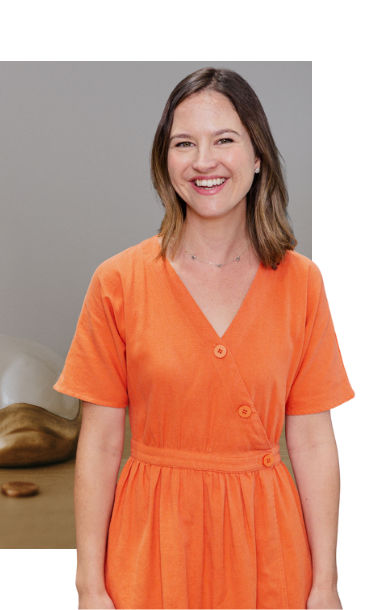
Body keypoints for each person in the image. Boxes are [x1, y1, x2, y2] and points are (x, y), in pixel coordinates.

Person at [55, 67, 353, 609]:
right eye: (184, 143)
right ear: (165, 163)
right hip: (150, 549)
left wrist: (326, 584)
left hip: (270, 547)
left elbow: (311, 442)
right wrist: (89, 585)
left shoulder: (301, 283)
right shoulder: (118, 282)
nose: (203, 160)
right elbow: (99, 444)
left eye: (224, 140)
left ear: (257, 156)